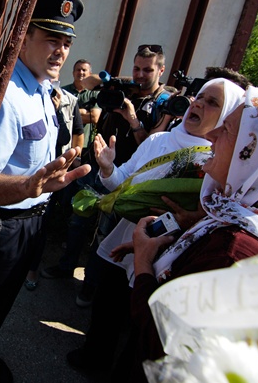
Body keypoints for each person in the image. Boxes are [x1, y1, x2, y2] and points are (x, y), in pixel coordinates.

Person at [114, 86, 258, 383]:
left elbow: (163, 342)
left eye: (229, 130)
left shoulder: (234, 250)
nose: (212, 135)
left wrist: (145, 264)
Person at [0, 0, 91, 383]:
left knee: (1, 303)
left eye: (66, 43)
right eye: (50, 39)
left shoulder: (43, 88)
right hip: (2, 225)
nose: (60, 51)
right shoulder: (7, 95)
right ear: (24, 38)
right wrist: (29, 186)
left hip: (32, 221)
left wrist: (46, 183)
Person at [65, 78, 245, 375]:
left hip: (168, 250)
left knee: (141, 321)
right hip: (126, 235)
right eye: (199, 96)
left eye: (212, 102)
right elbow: (123, 183)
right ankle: (94, 357)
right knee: (107, 303)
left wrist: (189, 218)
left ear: (227, 115)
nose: (198, 103)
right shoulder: (157, 141)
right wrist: (109, 168)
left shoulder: (217, 160)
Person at [41, 45, 175, 306]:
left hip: (126, 177)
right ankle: (65, 266)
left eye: (147, 69)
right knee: (77, 221)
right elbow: (85, 81)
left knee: (106, 232)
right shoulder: (126, 88)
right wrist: (111, 81)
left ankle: (91, 285)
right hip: (95, 166)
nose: (140, 74)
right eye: (137, 68)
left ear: (161, 70)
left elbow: (154, 143)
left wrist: (133, 118)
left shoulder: (165, 102)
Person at [24, 82, 84, 291]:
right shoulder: (28, 95)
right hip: (29, 169)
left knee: (42, 222)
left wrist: (56, 110)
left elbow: (70, 134)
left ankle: (32, 268)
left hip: (54, 173)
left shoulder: (69, 100)